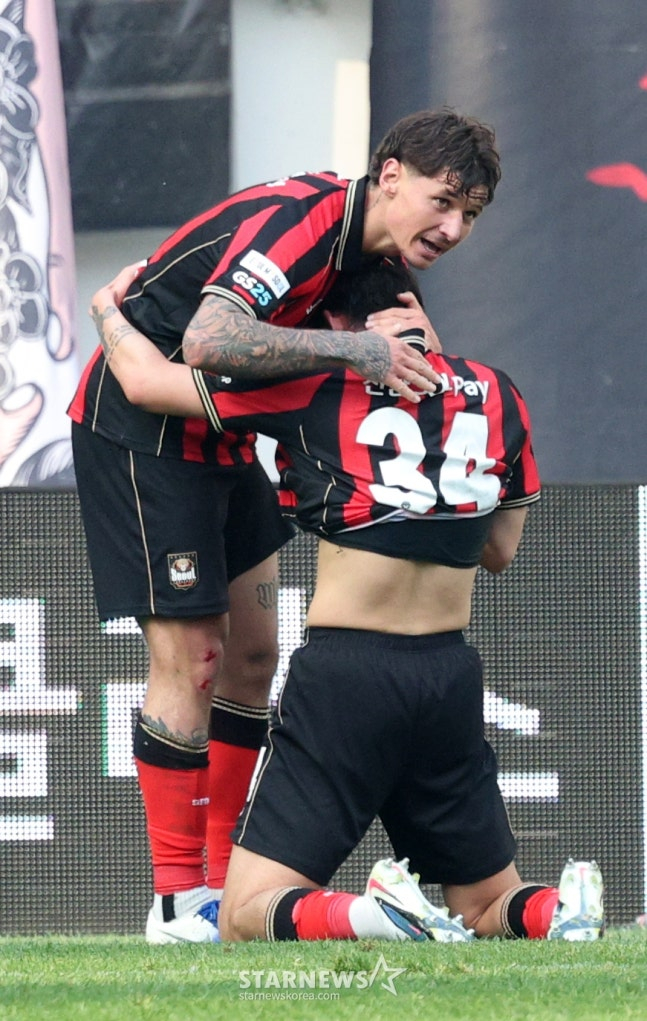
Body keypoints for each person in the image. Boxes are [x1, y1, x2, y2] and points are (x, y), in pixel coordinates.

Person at [68, 108, 502, 943]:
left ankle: (226, 882)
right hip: (145, 427)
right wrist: (353, 354)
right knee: (192, 656)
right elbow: (207, 337)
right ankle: (176, 900)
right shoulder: (303, 220)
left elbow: (419, 364)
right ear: (388, 175)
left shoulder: (375, 260)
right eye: (442, 200)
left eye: (470, 215)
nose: (451, 227)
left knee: (255, 652)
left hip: (233, 428)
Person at [89, 259, 605, 945]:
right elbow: (498, 550)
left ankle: (370, 913)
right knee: (488, 902)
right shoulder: (497, 392)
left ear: (336, 325)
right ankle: (560, 909)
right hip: (447, 677)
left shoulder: (320, 383)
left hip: (348, 677)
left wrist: (106, 310)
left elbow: (147, 382)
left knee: (246, 911)